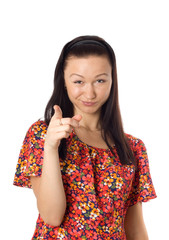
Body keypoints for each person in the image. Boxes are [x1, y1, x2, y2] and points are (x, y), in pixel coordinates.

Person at [13, 35, 157, 240]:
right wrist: (51, 147)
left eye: (100, 80)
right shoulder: (42, 134)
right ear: (63, 80)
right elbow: (52, 217)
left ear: (112, 80)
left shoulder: (132, 147)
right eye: (79, 81)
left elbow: (134, 229)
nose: (89, 93)